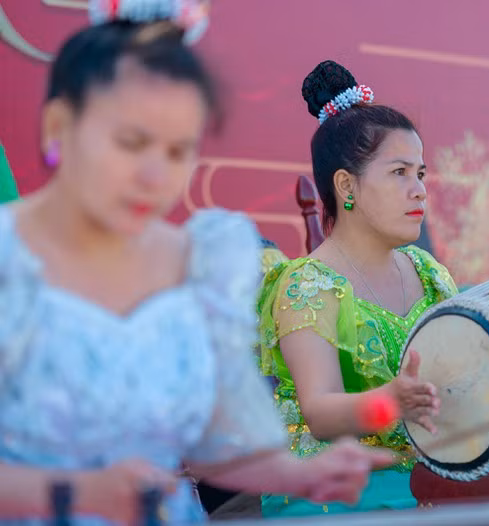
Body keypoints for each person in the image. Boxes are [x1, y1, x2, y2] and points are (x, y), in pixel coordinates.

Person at [0, 3, 392, 525]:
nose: (154, 174)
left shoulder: (192, 262)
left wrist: (298, 475)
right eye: (131, 141)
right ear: (59, 127)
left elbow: (215, 444)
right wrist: (80, 491)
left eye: (178, 150)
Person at [258, 60, 458, 516]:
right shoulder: (306, 284)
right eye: (399, 173)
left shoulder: (430, 273)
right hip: (338, 493)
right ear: (346, 186)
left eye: (421, 174)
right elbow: (321, 412)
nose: (419, 191)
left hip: (431, 483)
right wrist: (391, 400)